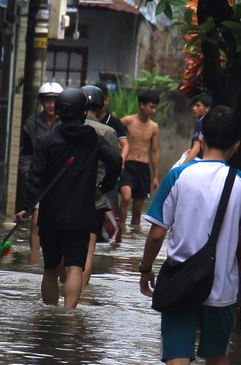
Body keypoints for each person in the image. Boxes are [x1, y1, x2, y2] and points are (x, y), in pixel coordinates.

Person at [138, 105, 241, 365]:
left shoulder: (179, 176)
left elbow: (156, 234)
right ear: (237, 145)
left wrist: (145, 269)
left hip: (181, 283)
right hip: (221, 288)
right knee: (217, 360)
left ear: (201, 137)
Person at [16, 87, 122, 308]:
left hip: (51, 215)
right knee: (75, 266)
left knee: (50, 269)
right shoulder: (93, 139)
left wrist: (26, 206)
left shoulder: (46, 141)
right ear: (83, 113)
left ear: (60, 113)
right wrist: (104, 187)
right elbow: (115, 160)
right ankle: (69, 315)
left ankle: (50, 316)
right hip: (82, 215)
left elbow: (35, 178)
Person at [18, 81, 63, 254]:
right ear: (41, 102)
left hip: (62, 180)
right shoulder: (31, 124)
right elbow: (26, 154)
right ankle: (34, 263)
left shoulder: (68, 122)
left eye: (55, 101)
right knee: (36, 223)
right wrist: (29, 175)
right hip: (40, 180)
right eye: (47, 100)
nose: (51, 105)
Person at [81, 83, 123, 258]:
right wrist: (103, 188)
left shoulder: (65, 128)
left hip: (68, 197)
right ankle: (84, 285)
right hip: (96, 200)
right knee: (89, 249)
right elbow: (115, 163)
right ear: (100, 108)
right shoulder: (108, 132)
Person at [118, 89, 161, 236]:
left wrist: (155, 176)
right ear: (142, 105)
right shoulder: (128, 121)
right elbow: (113, 131)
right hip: (127, 165)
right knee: (126, 197)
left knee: (137, 209)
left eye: (155, 107)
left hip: (143, 167)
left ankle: (132, 239)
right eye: (151, 107)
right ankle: (120, 232)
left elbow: (154, 151)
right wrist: (119, 147)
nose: (153, 110)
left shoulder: (154, 127)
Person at [179, 93, 213, 164]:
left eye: (198, 106)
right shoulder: (211, 123)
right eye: (194, 105)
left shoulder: (201, 123)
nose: (194, 108)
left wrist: (181, 167)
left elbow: (196, 148)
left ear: (207, 108)